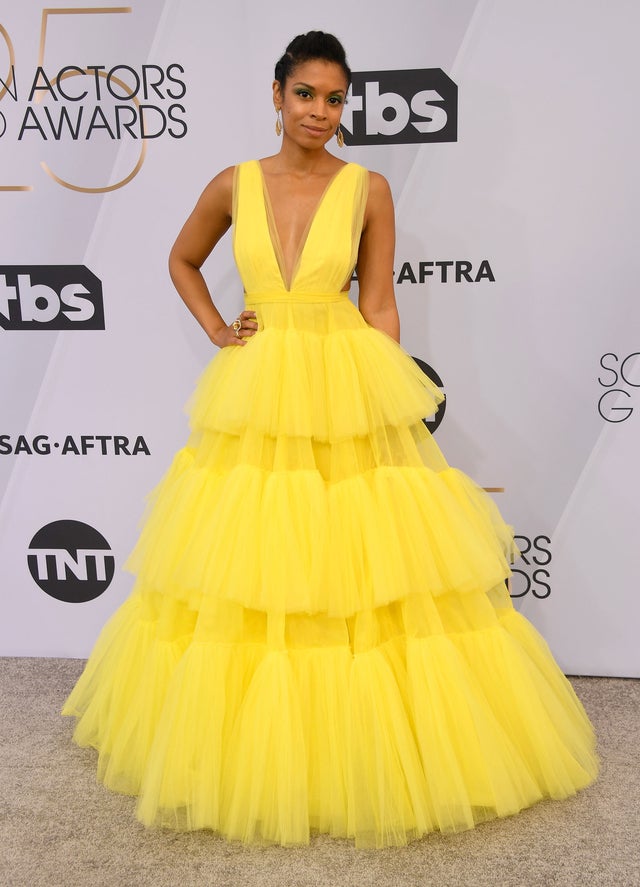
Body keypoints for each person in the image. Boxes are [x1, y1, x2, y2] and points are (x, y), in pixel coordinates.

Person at [63, 31, 598, 849]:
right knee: (257, 566)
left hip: (345, 378)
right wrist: (215, 327)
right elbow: (182, 258)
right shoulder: (232, 184)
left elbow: (379, 300)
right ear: (276, 96)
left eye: (335, 97)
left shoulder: (370, 188)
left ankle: (367, 743)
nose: (320, 111)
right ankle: (254, 747)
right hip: (259, 384)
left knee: (362, 566)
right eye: (306, 93)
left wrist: (387, 394)